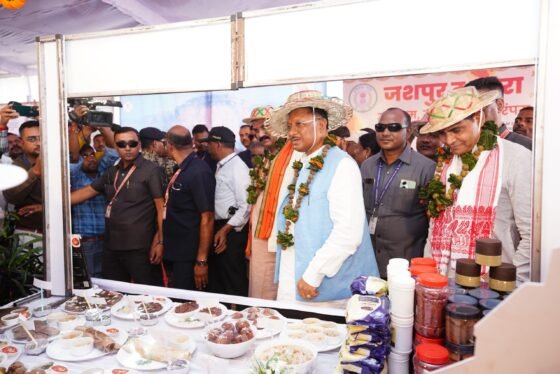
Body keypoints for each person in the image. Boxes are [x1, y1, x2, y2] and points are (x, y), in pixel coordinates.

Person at [265, 90, 379, 307]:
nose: (292, 132)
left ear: (322, 125)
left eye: (299, 124)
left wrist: (314, 274)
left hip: (322, 285)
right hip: (295, 273)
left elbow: (348, 233)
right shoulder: (302, 163)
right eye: (290, 126)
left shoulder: (342, 165)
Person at [420, 87, 531, 282]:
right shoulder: (444, 162)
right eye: (442, 133)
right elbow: (436, 222)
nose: (449, 140)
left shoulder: (515, 158)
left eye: (456, 130)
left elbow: (531, 235)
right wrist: (429, 273)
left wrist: (513, 284)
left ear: (478, 119)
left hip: (493, 285)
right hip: (442, 280)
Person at [70, 127, 165, 285]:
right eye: (122, 144)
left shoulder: (152, 170)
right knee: (115, 292)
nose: (127, 148)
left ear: (139, 145)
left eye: (132, 143)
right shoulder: (111, 172)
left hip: (140, 246)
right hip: (112, 245)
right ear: (115, 146)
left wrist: (161, 242)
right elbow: (86, 191)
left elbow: (162, 208)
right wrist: (48, 204)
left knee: (148, 293)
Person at [361, 108, 436, 278]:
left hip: (405, 265)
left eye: (394, 127)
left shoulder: (426, 168)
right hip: (368, 259)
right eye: (380, 127)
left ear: (408, 131)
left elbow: (432, 219)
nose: (385, 133)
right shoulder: (367, 166)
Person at [162, 125, 215, 290]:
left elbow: (208, 217)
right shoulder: (183, 168)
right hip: (177, 251)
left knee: (188, 307)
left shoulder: (198, 171)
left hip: (190, 255)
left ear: (169, 146)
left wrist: (201, 261)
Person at [204, 126, 251, 296]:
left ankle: (241, 317)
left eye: (209, 143)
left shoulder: (237, 167)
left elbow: (246, 205)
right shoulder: (224, 165)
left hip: (231, 231)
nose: (207, 148)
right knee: (221, 279)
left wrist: (225, 229)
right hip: (222, 227)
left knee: (234, 278)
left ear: (216, 144)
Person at [70, 144, 119, 277]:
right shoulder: (75, 176)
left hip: (108, 239)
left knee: (111, 279)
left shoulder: (103, 173)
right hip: (86, 241)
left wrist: (102, 128)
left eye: (92, 154)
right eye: (84, 156)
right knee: (91, 280)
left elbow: (114, 153)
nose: (90, 158)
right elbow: (72, 162)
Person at [465, 77, 532, 150]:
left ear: (499, 105)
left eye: (480, 108)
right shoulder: (462, 146)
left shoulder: (527, 146)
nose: (473, 115)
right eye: (468, 108)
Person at [3, 121, 44, 234]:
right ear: (21, 142)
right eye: (32, 139)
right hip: (29, 234)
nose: (38, 143)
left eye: (41, 138)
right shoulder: (15, 168)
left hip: (59, 232)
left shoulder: (56, 163)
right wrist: (34, 172)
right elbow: (12, 197)